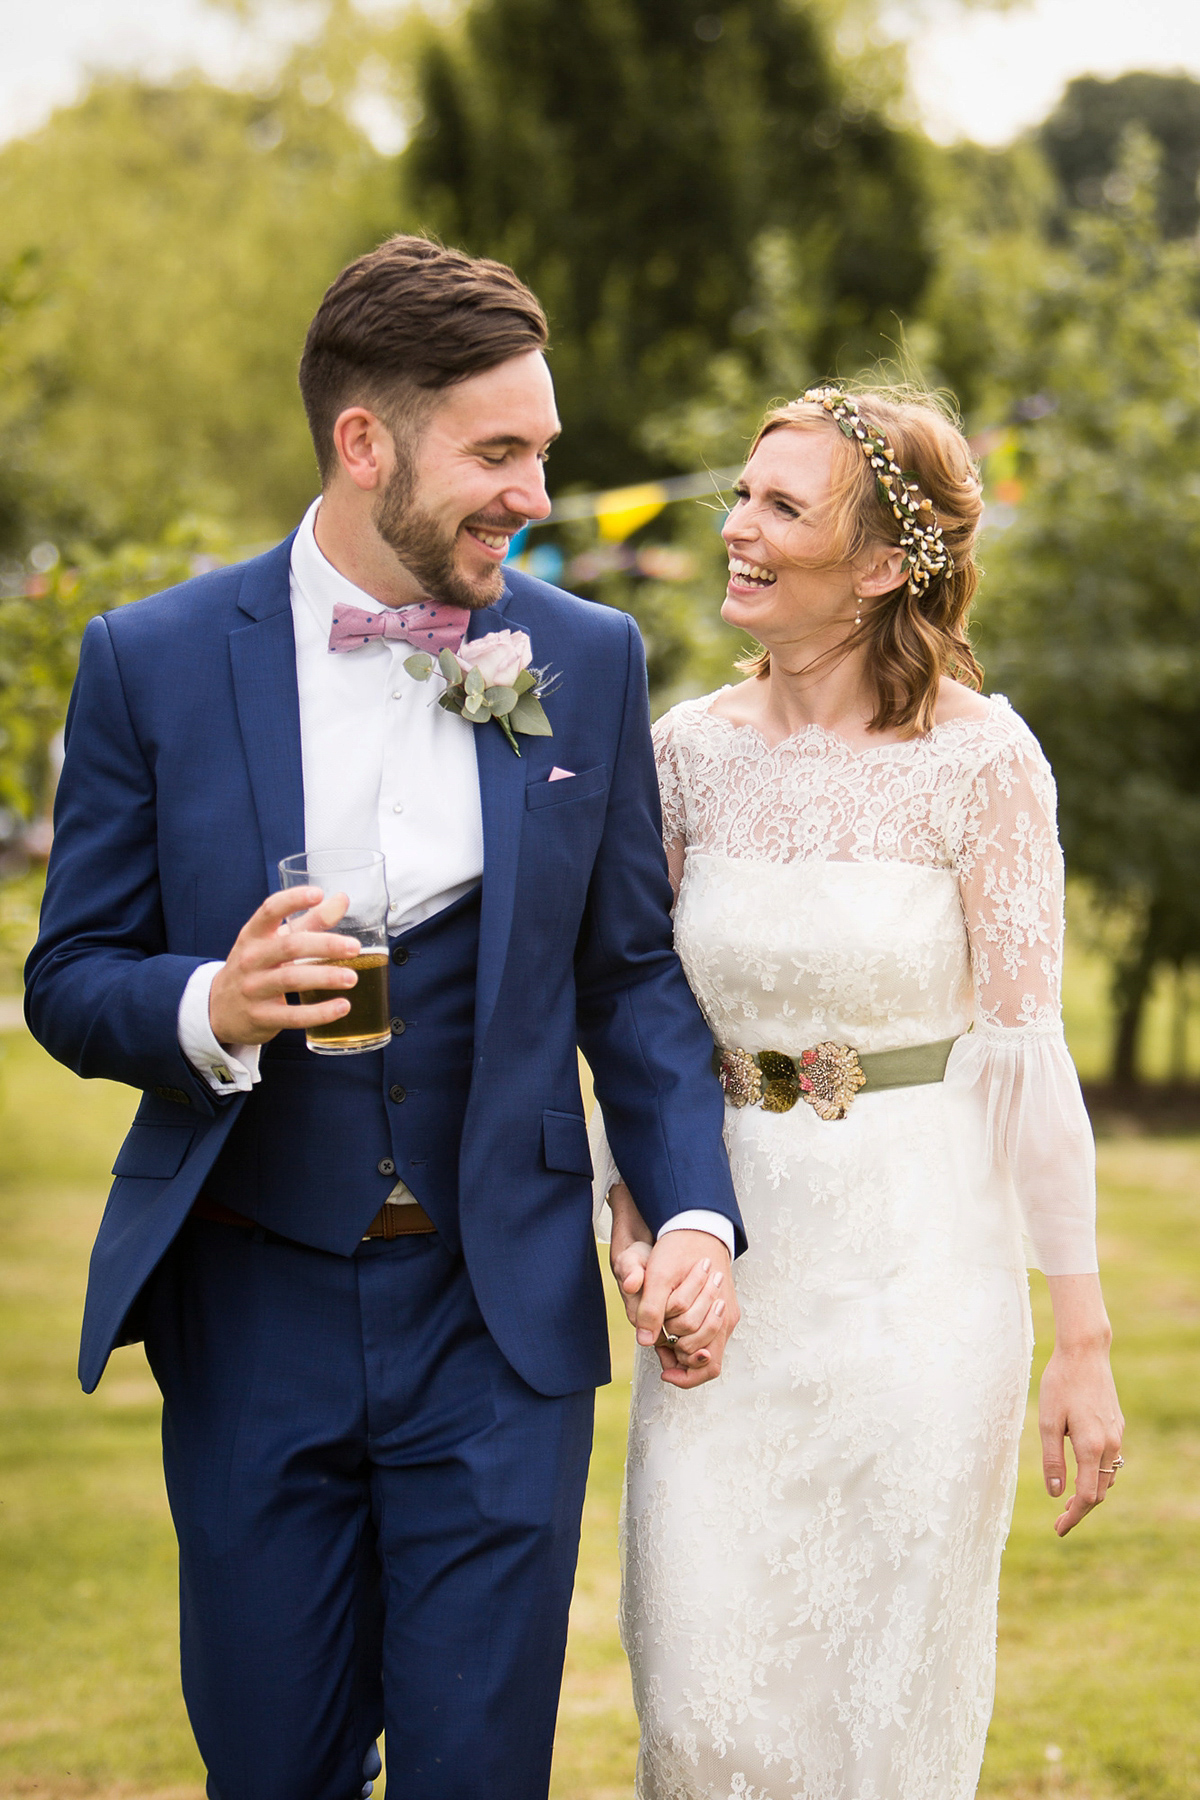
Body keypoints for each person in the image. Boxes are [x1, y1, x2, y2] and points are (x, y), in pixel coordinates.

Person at [23, 235, 745, 1800]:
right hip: (251, 1305)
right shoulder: (148, 663)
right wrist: (209, 998)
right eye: (499, 453)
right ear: (365, 445)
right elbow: (69, 975)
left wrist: (691, 1203)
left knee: (480, 1772)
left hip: (500, 1325)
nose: (535, 497)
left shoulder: (584, 658)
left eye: (543, 453)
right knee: (271, 1769)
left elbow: (628, 975)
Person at [591, 386, 1125, 1800]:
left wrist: (1081, 1338)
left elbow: (1024, 1054)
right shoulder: (683, 753)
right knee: (702, 1708)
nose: (734, 527)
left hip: (919, 1281)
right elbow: (636, 1021)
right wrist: (636, 1223)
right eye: (741, 494)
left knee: (881, 1718)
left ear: (885, 565)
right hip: (732, 1272)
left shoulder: (984, 761)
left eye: (781, 506)